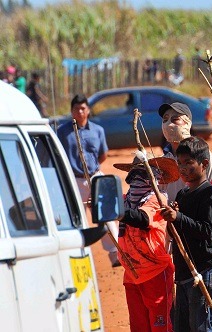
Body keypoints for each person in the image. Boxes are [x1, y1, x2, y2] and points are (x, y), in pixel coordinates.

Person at [157, 102, 212, 331]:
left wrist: (179, 217)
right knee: (191, 309)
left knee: (209, 302)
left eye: (175, 119)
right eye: (165, 119)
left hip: (201, 248)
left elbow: (210, 213)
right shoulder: (164, 160)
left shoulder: (205, 159)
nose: (169, 124)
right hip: (178, 238)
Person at [113, 155, 179, 332]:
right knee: (139, 327)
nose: (138, 180)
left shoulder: (158, 200)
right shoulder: (125, 200)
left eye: (144, 174)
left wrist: (114, 208)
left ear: (155, 177)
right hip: (132, 273)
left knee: (160, 327)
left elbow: (141, 219)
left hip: (156, 273)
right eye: (135, 175)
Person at [57, 94, 120, 267]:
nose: (80, 111)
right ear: (71, 111)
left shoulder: (97, 130)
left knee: (106, 213)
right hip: (72, 180)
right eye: (76, 108)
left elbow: (102, 154)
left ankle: (115, 255)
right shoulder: (62, 131)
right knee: (76, 217)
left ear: (88, 110)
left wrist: (92, 170)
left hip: (94, 177)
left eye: (83, 108)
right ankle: (77, 254)